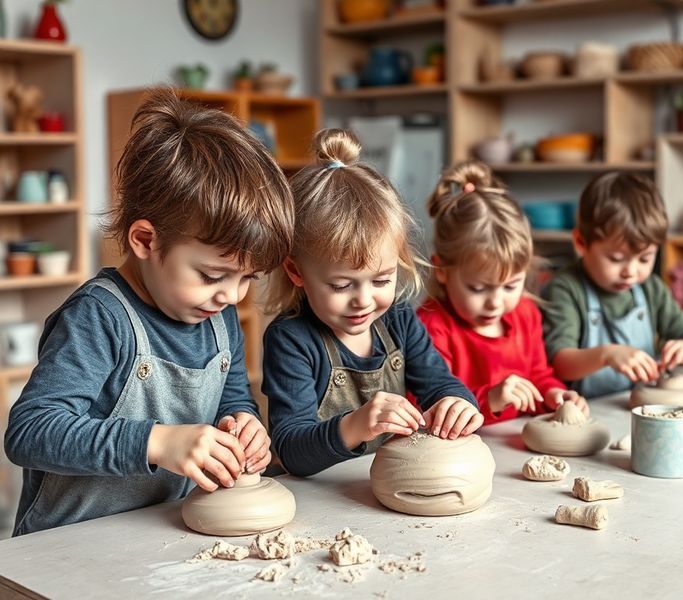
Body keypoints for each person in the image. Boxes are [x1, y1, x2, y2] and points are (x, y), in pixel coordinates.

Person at [4, 89, 294, 536]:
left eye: (247, 278)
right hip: (68, 544)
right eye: (213, 275)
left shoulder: (219, 316)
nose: (232, 297)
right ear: (145, 241)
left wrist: (244, 424)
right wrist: (158, 441)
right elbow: (31, 432)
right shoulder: (98, 317)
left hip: (158, 532)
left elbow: (231, 397)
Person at [262, 129, 483, 478]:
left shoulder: (398, 319)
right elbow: (291, 450)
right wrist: (354, 426)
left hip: (386, 485)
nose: (363, 300)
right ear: (295, 271)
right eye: (341, 285)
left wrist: (457, 403)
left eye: (381, 280)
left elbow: (439, 383)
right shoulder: (291, 340)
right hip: (322, 497)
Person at [416, 160, 587, 425]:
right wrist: (491, 399)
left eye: (510, 286)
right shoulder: (432, 327)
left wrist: (554, 394)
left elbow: (538, 375)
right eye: (478, 288)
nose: (495, 303)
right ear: (441, 269)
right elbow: (426, 409)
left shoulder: (525, 313)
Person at [542, 172, 683, 398]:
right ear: (581, 243)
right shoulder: (566, 288)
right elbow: (560, 363)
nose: (631, 272)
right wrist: (607, 355)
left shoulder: (650, 288)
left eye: (644, 259)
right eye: (616, 259)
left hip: (638, 406)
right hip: (584, 412)